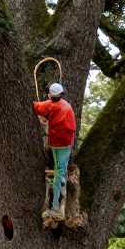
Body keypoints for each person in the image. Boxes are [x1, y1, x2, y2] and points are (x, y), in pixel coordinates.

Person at [32, 82, 77, 219]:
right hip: (67, 143)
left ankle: (56, 208)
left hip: (58, 144)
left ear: (51, 95)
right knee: (61, 170)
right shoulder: (66, 105)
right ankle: (61, 183)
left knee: (58, 174)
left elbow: (37, 107)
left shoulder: (50, 105)